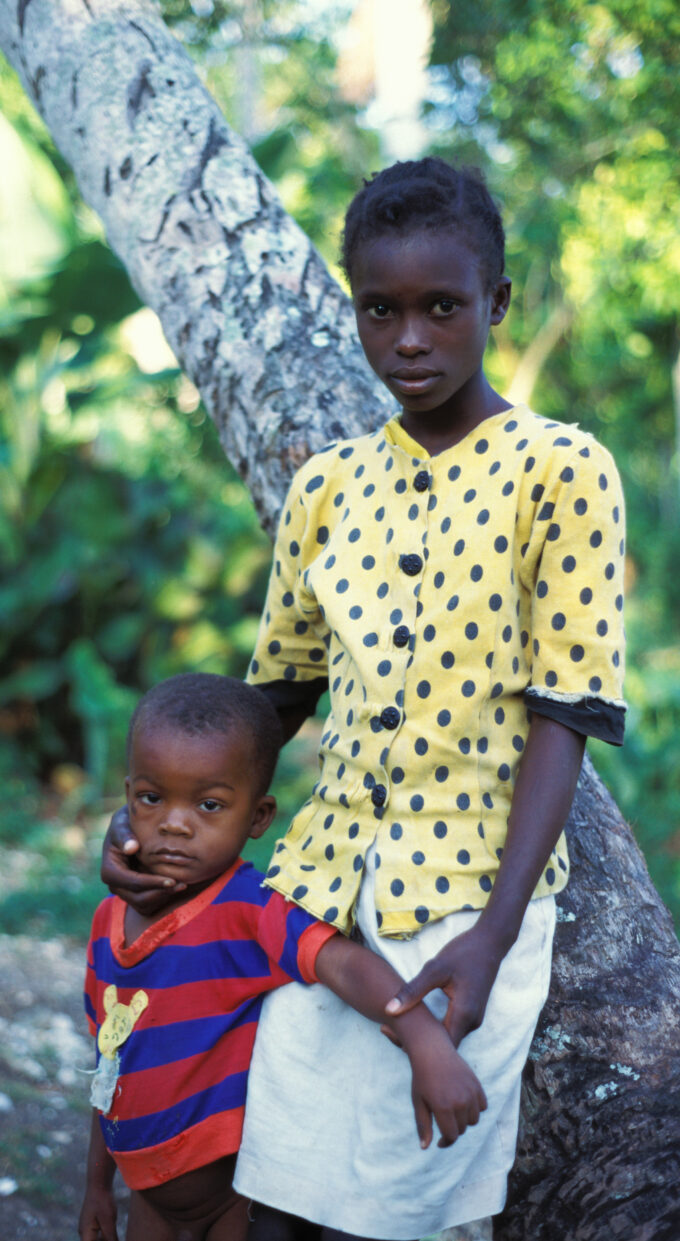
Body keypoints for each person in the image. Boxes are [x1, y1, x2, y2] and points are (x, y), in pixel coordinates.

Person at [101, 158, 627, 1240]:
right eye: (380, 310)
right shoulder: (328, 487)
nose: (409, 339)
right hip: (317, 894)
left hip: (465, 900)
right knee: (274, 1178)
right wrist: (154, 821)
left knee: (397, 1203)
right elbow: (273, 700)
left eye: (442, 307)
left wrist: (491, 934)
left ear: (495, 302)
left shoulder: (561, 470)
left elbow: (564, 713)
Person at [80, 672, 487, 1241]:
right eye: (152, 798)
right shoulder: (108, 923)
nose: (174, 823)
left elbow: (342, 963)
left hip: (231, 1198)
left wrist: (425, 1040)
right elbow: (111, 1059)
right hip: (146, 1198)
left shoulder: (250, 909)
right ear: (127, 798)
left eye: (209, 805)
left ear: (258, 818)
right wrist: (98, 1186)